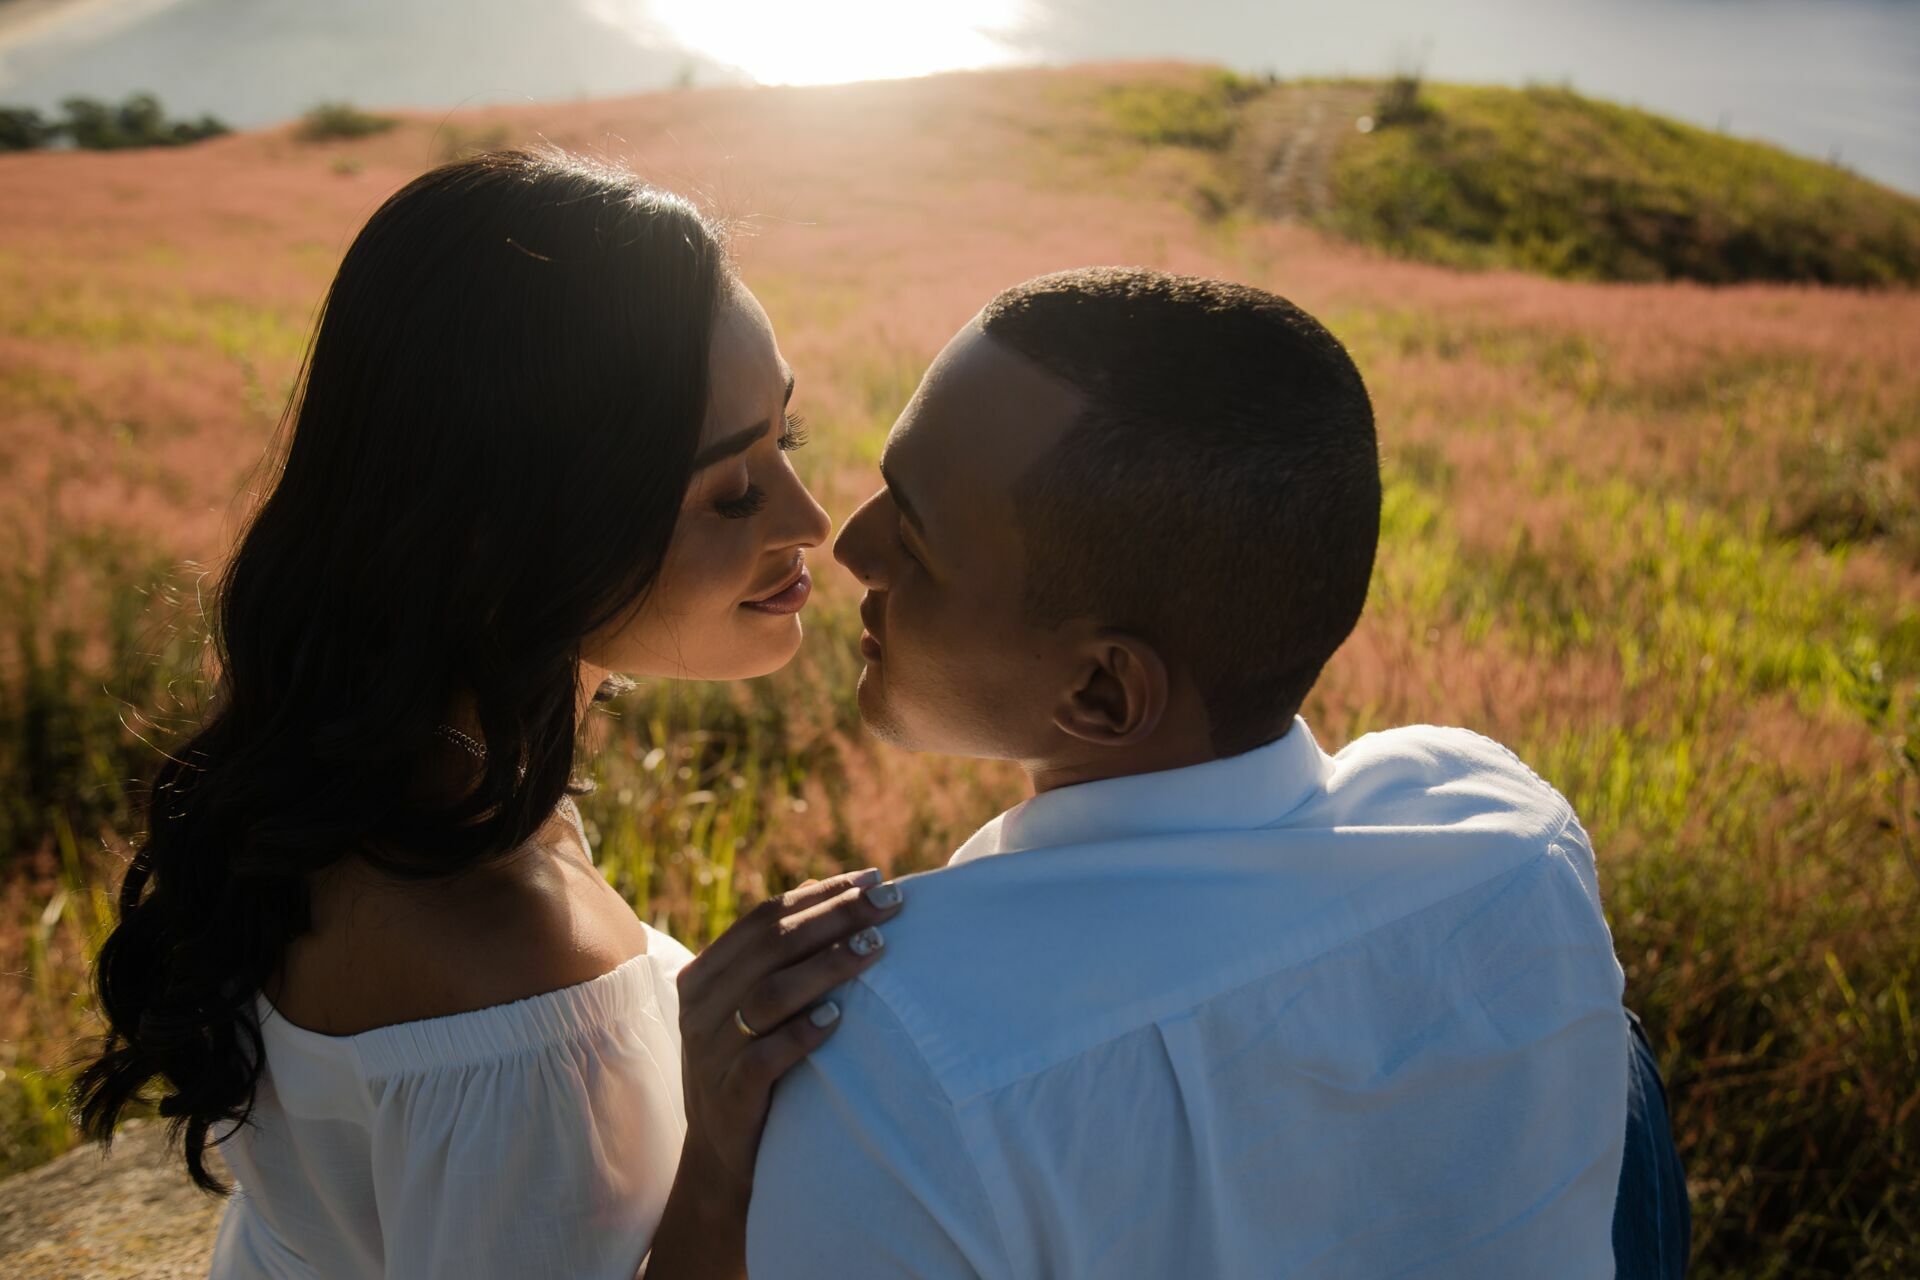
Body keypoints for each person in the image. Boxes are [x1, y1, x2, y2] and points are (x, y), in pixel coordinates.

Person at [748, 268, 1691, 1278]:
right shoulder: (1509, 837)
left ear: (1103, 693)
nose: (851, 544)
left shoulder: (890, 1057)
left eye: (916, 537)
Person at [72, 149, 906, 1280]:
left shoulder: (365, 753)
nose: (809, 520)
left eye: (785, 440)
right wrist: (717, 1164)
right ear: (504, 532)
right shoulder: (513, 969)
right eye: (731, 491)